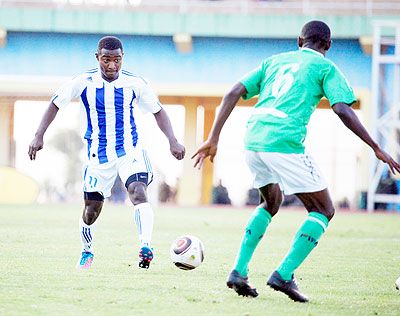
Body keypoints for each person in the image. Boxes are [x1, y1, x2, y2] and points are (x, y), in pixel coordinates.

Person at [192, 21, 400, 302]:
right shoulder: (327, 68)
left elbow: (232, 93)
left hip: (253, 136)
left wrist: (213, 138)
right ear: (327, 45)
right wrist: (375, 146)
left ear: (299, 41)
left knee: (270, 201)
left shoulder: (274, 61)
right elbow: (341, 108)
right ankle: (284, 274)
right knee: (323, 209)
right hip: (284, 141)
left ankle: (239, 271)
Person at [28, 36, 185, 270]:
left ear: (123, 59)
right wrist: (38, 134)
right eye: (106, 59)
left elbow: (158, 111)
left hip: (130, 151)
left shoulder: (136, 84)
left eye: (117, 60)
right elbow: (55, 104)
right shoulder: (83, 81)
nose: (112, 65)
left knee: (138, 192)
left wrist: (172, 140)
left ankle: (145, 247)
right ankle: (87, 251)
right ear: (97, 58)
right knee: (91, 211)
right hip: (97, 157)